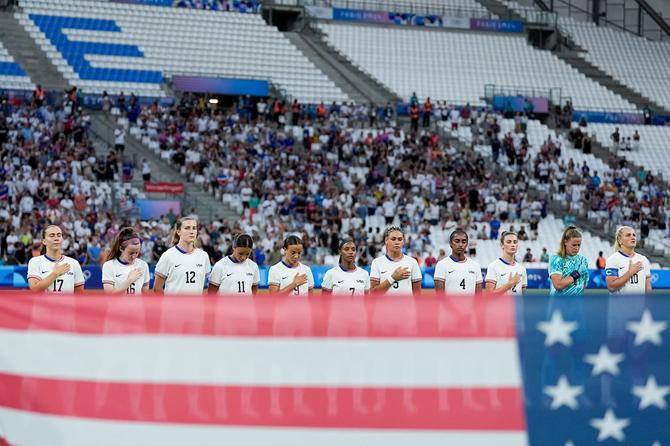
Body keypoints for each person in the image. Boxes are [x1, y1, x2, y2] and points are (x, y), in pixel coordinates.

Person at [153, 216, 211, 294]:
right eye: (187, 228)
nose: (191, 231)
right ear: (178, 232)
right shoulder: (168, 256)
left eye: (194, 228)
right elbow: (157, 289)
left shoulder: (203, 256)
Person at [27, 224, 85, 293]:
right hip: (43, 304)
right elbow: (35, 289)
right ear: (44, 241)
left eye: (59, 235)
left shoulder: (73, 263)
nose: (56, 238)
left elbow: (79, 295)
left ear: (62, 239)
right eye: (52, 235)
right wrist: (55, 273)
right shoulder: (35, 262)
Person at [370, 226, 422, 294]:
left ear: (403, 242)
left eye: (400, 239)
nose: (397, 242)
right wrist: (393, 278)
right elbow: (373, 294)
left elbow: (417, 295)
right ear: (386, 240)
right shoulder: (377, 262)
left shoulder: (412, 262)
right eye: (393, 239)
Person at [102, 227, 150, 294]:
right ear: (121, 248)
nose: (134, 256)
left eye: (137, 252)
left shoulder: (143, 265)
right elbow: (109, 295)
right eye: (131, 253)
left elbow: (145, 294)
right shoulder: (109, 265)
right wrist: (130, 279)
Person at [433, 229, 483, 295]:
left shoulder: (475, 265)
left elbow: (478, 297)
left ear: (467, 244)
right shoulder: (441, 265)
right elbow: (440, 296)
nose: (460, 245)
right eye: (457, 241)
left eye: (463, 242)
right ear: (450, 243)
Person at [605, 226, 651, 294]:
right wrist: (630, 272)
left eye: (634, 235)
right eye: (628, 235)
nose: (632, 237)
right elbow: (611, 287)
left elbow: (647, 287)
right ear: (620, 240)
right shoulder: (613, 259)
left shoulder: (643, 259)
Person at [548, 226, 589, 296]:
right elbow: (558, 285)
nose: (577, 248)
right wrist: (576, 274)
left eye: (579, 245)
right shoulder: (556, 259)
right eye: (574, 245)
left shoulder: (583, 260)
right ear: (565, 242)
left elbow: (583, 285)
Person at [485, 231, 527, 295]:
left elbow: (524, 296)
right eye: (509, 242)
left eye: (515, 242)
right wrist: (509, 284)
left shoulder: (522, 268)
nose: (513, 245)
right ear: (502, 245)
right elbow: (489, 295)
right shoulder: (493, 266)